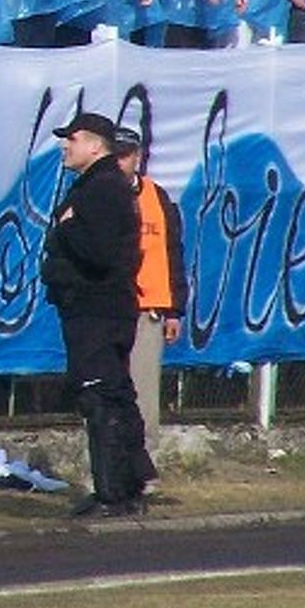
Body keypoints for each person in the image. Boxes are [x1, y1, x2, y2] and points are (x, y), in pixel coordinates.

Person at [40, 110, 150, 517]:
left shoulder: (102, 188)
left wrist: (67, 227)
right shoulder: (102, 184)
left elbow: (101, 252)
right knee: (114, 393)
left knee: (101, 396)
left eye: (73, 139)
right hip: (99, 310)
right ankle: (127, 485)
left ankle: (112, 493)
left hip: (98, 311)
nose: (66, 146)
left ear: (95, 145)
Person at [110, 124, 186, 498]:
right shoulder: (99, 195)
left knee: (143, 393)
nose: (121, 161)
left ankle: (142, 468)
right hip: (110, 308)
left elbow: (172, 254)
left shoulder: (157, 196)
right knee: (107, 390)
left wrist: (175, 309)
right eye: (115, 154)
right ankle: (113, 469)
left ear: (137, 156)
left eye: (126, 154)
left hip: (148, 309)